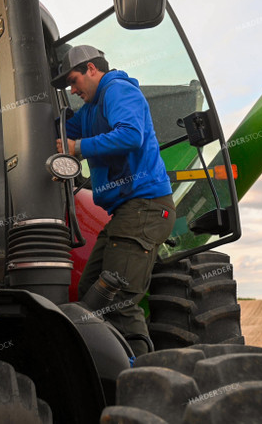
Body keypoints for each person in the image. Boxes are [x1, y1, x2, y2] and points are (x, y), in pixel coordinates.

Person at [51, 45, 175, 357]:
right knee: (89, 290)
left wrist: (77, 147)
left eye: (74, 80)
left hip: (145, 207)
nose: (73, 89)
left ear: (92, 69)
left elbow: (131, 136)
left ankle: (143, 378)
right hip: (124, 212)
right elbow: (63, 127)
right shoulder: (92, 108)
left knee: (117, 300)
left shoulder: (118, 91)